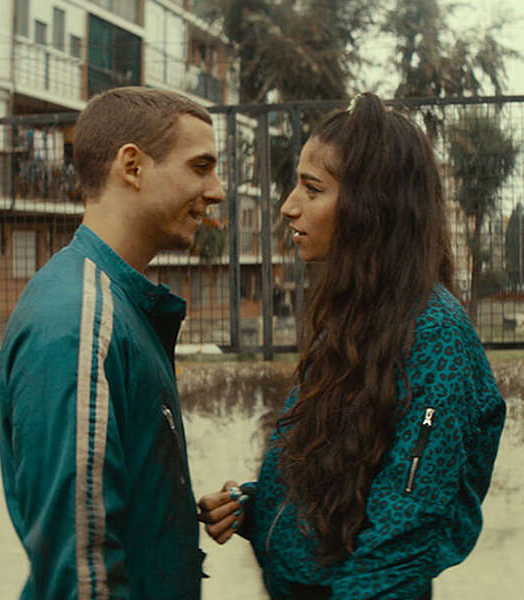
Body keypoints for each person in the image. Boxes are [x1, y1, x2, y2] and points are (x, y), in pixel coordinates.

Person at [198, 93, 506, 599]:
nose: (288, 206)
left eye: (312, 188)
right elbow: (344, 471)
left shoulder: (437, 337)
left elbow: (402, 537)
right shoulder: (353, 317)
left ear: (372, 206)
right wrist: (255, 507)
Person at [0, 86, 225, 599]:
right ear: (133, 167)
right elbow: (82, 575)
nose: (216, 191)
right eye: (200, 167)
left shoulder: (115, 305)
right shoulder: (79, 321)